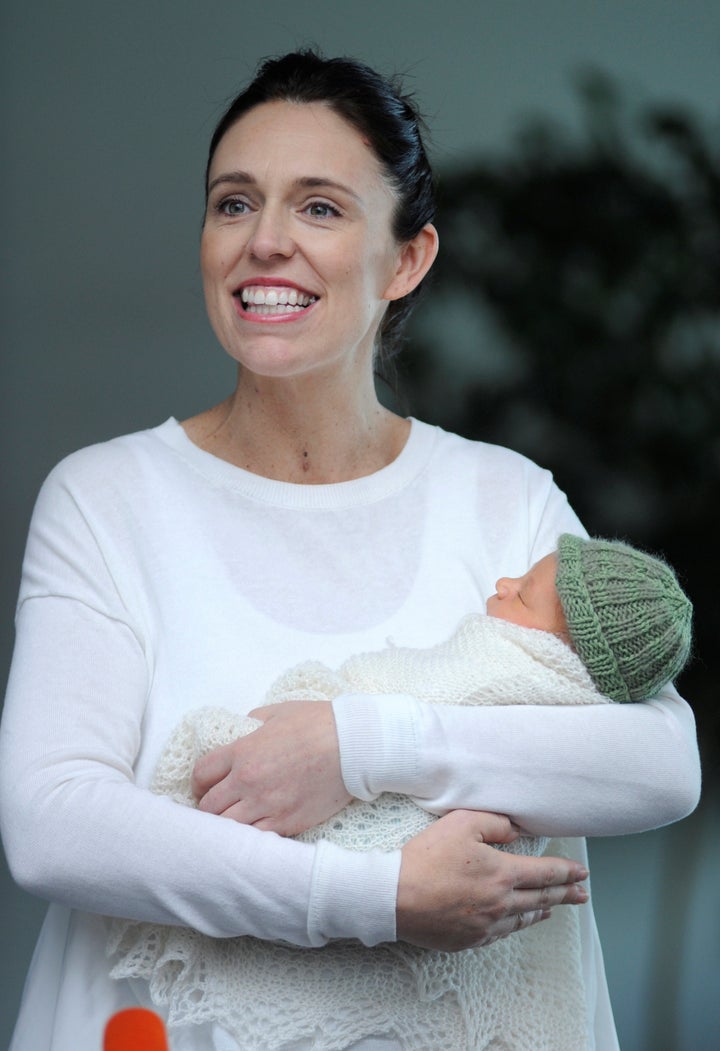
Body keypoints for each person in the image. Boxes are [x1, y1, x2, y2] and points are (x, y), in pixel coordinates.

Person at [0, 49, 700, 1051]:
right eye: (234, 203)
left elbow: (661, 764)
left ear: (407, 257)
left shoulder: (504, 502)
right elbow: (52, 819)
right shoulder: (108, 499)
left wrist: (358, 748)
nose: (265, 241)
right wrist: (374, 894)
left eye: (320, 207)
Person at [105, 533, 694, 1049]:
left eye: (525, 594)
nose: (503, 582)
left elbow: (665, 766)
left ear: (567, 651)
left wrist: (352, 740)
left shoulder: (526, 674)